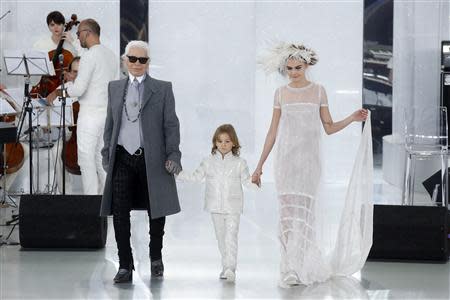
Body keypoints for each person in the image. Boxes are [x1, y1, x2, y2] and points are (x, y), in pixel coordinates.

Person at [253, 42, 372, 287]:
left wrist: (351, 118)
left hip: (309, 162)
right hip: (285, 161)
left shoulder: (319, 91)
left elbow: (328, 128)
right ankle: (287, 268)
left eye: (298, 67)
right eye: (289, 68)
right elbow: (272, 132)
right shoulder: (281, 93)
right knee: (286, 215)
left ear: (307, 65)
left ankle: (303, 265)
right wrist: (259, 165)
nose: (294, 72)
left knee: (306, 216)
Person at [100, 40, 182, 283]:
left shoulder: (162, 88)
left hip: (152, 158)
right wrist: (107, 154)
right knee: (120, 211)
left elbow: (171, 124)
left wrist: (173, 155)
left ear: (148, 62)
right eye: (132, 59)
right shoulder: (114, 88)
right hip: (122, 157)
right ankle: (125, 264)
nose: (137, 64)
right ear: (125, 60)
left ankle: (155, 256)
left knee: (156, 211)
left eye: (142, 60)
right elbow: (110, 123)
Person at [176, 124, 258, 282]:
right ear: (215, 143)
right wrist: (177, 173)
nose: (223, 144)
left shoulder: (240, 163)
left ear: (233, 142)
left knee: (231, 237)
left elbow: (247, 182)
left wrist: (255, 181)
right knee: (221, 238)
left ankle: (230, 268)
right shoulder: (207, 162)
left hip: (233, 206)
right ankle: (225, 266)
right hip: (215, 206)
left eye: (227, 141)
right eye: (220, 141)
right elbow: (195, 177)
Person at [47, 18, 119, 195]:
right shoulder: (111, 55)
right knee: (102, 161)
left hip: (90, 116)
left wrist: (57, 92)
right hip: (107, 114)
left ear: (88, 33)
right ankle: (106, 206)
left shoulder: (89, 56)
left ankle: (91, 206)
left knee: (86, 161)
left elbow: (79, 89)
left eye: (79, 34)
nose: (78, 38)